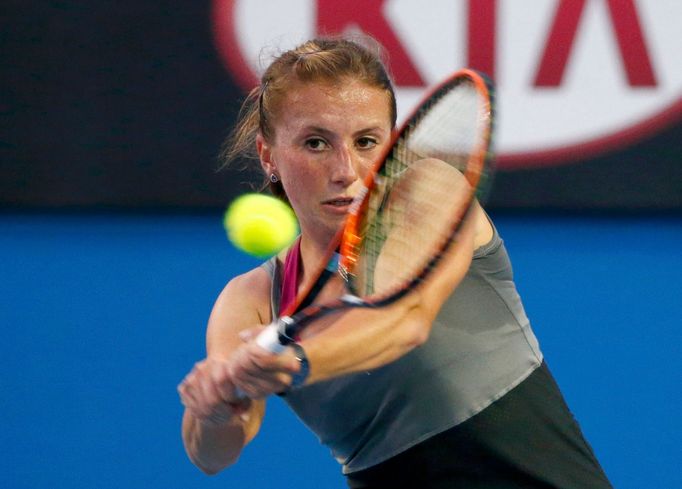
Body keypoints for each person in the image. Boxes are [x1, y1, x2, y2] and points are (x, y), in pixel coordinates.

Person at [178, 37, 613, 488]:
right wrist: (214, 409)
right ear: (269, 154)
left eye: (366, 141)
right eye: (315, 143)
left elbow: (404, 320)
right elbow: (212, 454)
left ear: (390, 143)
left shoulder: (432, 190)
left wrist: (297, 361)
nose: (346, 169)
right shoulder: (252, 299)